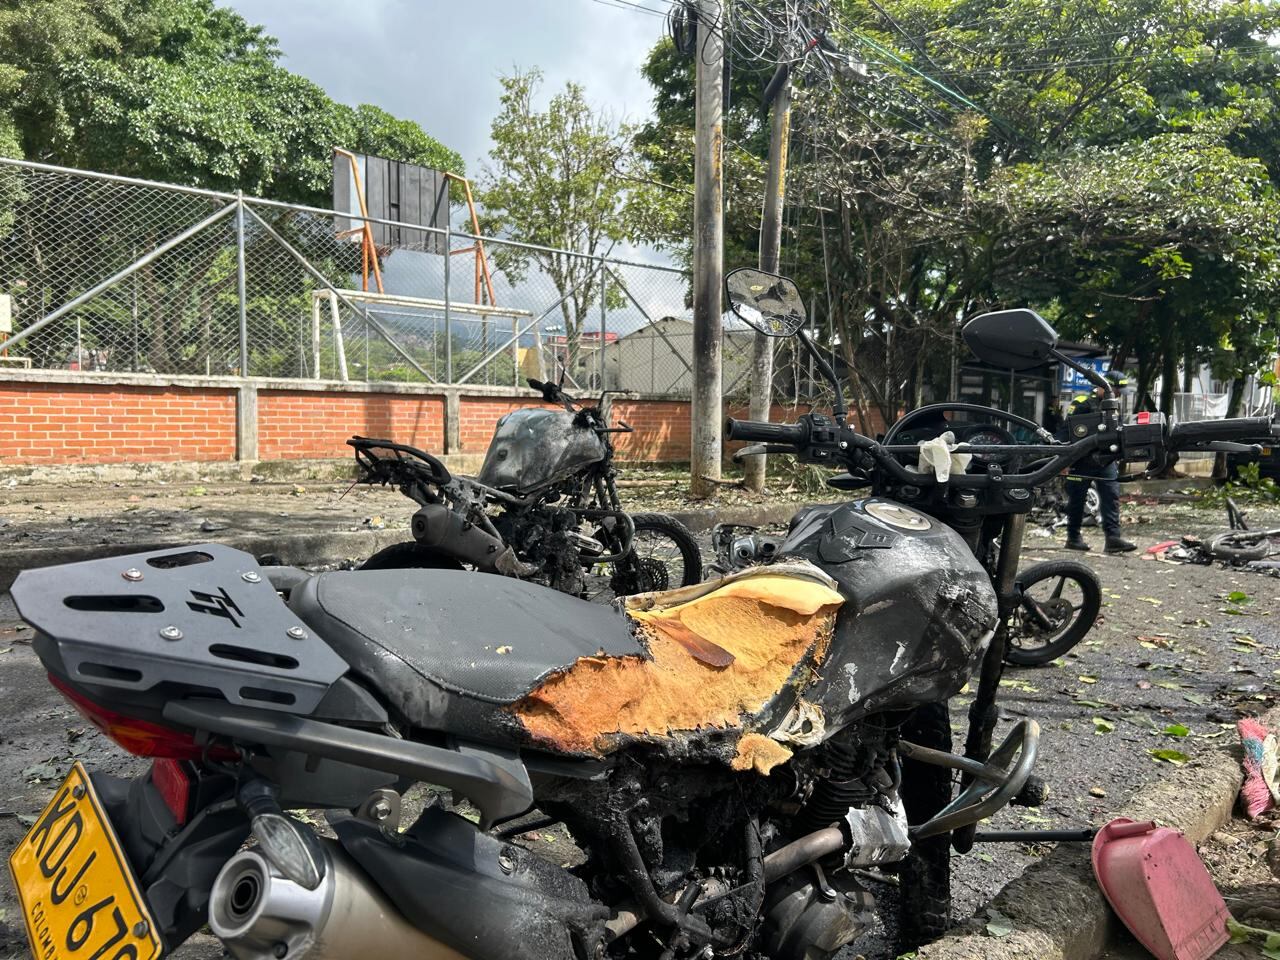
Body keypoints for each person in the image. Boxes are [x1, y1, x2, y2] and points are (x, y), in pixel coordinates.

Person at [1063, 373, 1136, 554]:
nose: (1117, 394)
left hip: (1106, 460)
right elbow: (1067, 431)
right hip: (1081, 460)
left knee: (1111, 496)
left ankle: (1113, 539)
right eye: (1116, 390)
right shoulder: (1082, 403)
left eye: (1119, 392)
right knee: (1077, 499)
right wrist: (1064, 460)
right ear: (1102, 386)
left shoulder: (1113, 406)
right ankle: (1073, 538)